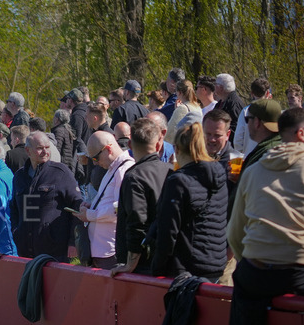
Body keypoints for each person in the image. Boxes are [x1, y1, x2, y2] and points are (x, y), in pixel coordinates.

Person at [228, 107, 304, 325]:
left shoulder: (252, 170)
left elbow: (235, 232)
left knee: (244, 320)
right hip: (299, 273)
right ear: (302, 133)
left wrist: (250, 258)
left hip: (254, 272)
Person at [151, 123, 229, 281]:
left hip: (188, 267)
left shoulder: (178, 181)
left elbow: (168, 230)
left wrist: (157, 268)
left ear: (177, 149)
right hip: (215, 262)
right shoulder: (220, 173)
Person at [110, 118, 170, 277]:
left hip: (143, 265)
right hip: (166, 258)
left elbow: (137, 222)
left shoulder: (134, 177)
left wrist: (130, 264)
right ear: (158, 145)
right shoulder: (171, 171)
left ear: (129, 145)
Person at [11, 132, 82, 261]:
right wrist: (16, 232)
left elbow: (77, 205)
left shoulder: (61, 173)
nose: (45, 151)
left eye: (47, 147)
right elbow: (14, 209)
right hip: (26, 251)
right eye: (39, 148)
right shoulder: (19, 176)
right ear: (28, 150)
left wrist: (73, 242)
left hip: (55, 251)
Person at [75, 131, 134, 269]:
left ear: (108, 149)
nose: (95, 163)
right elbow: (109, 201)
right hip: (102, 251)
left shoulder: (124, 169)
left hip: (110, 252)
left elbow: (120, 208)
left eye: (95, 158)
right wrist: (92, 205)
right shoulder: (113, 168)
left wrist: (90, 215)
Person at [239, 98, 284, 179]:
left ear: (256, 122)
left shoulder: (265, 154)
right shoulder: (283, 145)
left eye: (247, 119)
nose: (247, 124)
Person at [232, 77, 271, 156]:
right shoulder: (274, 112)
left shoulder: (245, 112)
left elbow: (238, 140)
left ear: (252, 93)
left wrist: (244, 153)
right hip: (269, 158)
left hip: (249, 158)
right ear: (267, 93)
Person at [165, 79, 200, 144]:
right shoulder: (198, 107)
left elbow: (170, 132)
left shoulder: (182, 108)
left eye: (176, 91)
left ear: (180, 92)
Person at [215, 73, 245, 143]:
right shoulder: (221, 102)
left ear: (221, 88)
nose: (214, 87)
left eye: (215, 84)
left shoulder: (234, 103)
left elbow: (236, 127)